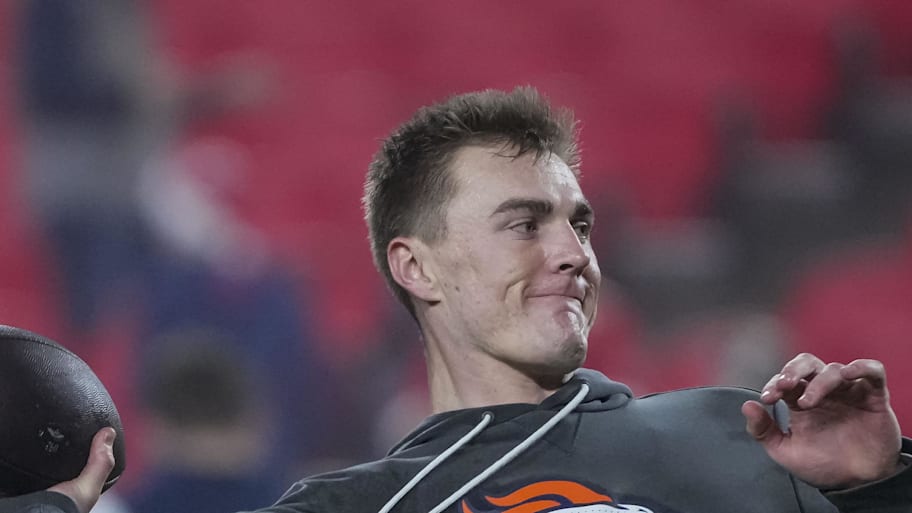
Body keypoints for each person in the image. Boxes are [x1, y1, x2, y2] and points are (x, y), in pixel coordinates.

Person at [3, 87, 910, 513]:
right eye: (523, 224)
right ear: (417, 267)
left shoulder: (737, 432)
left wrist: (879, 487)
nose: (574, 252)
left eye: (579, 223)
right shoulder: (353, 509)